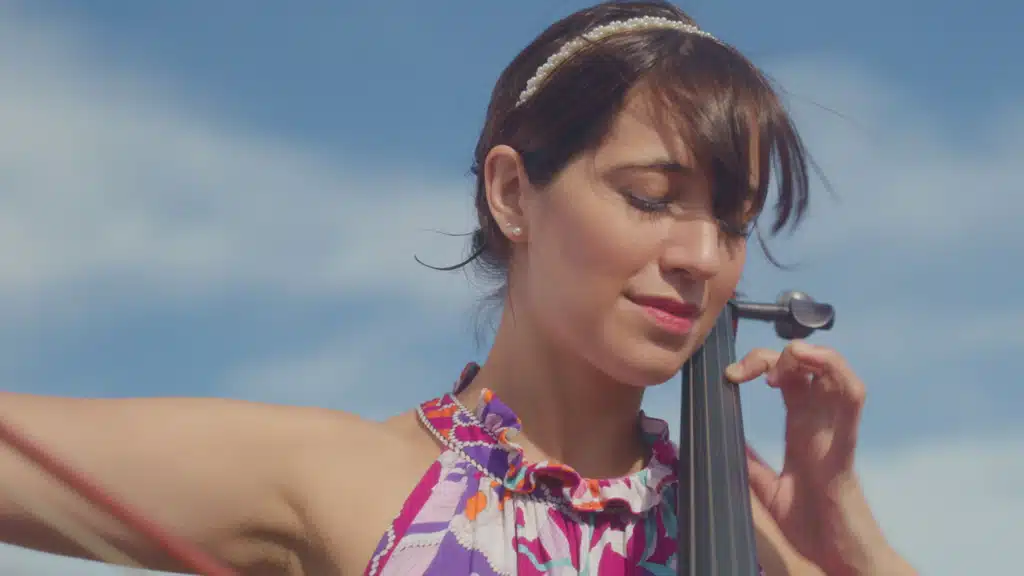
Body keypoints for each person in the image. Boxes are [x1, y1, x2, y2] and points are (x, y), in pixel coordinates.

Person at [0, 2, 918, 575]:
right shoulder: (346, 479)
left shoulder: (758, 541)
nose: (703, 256)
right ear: (513, 194)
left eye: (735, 220)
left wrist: (853, 547)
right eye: (650, 198)